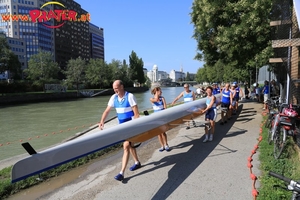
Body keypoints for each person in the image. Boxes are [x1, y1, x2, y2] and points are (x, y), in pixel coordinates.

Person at [99, 80, 141, 181]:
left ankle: (121, 173)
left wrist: (136, 128)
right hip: (121, 128)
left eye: (116, 88)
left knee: (126, 146)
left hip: (130, 127)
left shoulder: (130, 96)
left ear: (122, 86)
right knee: (130, 146)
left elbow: (136, 114)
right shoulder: (114, 98)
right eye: (114, 89)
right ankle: (137, 162)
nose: (115, 90)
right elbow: (107, 110)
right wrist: (102, 121)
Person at [150, 86, 170, 152]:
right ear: (156, 91)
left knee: (163, 132)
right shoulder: (151, 99)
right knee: (158, 133)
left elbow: (165, 107)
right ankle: (162, 146)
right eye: (160, 91)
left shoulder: (162, 98)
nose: (161, 92)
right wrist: (157, 94)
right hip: (156, 117)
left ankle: (166, 144)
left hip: (162, 117)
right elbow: (155, 100)